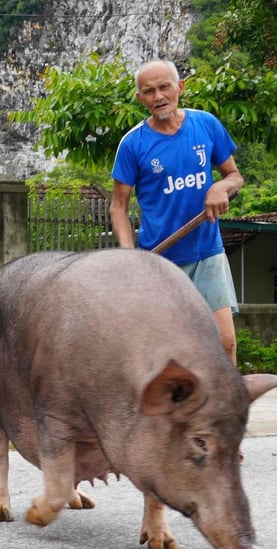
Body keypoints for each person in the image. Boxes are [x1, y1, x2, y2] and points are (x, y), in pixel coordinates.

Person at [110, 59, 243, 368]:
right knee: (166, 355)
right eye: (149, 91)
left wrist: (220, 188)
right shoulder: (133, 144)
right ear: (140, 98)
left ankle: (223, 415)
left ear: (180, 88)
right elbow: (119, 205)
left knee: (225, 344)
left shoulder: (205, 124)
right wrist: (130, 257)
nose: (158, 97)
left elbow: (234, 176)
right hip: (160, 264)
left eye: (164, 87)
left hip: (207, 251)